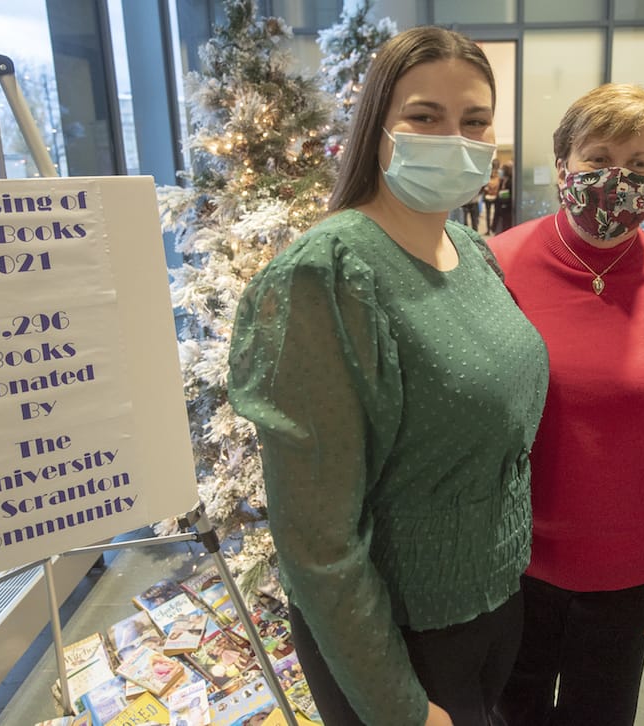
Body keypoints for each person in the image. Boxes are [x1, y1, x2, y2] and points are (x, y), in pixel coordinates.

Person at [228, 26, 549, 726]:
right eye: (424, 117)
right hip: (401, 643)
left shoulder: (468, 248)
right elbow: (319, 543)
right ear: (377, 127)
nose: (452, 138)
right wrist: (402, 709)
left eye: (474, 121)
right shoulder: (328, 277)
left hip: (490, 609)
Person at [489, 83, 644, 725]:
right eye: (597, 158)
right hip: (510, 560)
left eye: (637, 165)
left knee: (601, 714)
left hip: (629, 568)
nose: (614, 179)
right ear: (563, 162)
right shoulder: (495, 265)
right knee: (508, 711)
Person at [491, 162, 514, 234]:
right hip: (499, 211)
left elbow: (511, 197)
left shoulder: (511, 182)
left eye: (501, 170)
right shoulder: (501, 182)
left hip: (507, 212)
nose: (499, 171)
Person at [482, 159, 500, 234]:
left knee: (488, 214)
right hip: (495, 196)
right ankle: (494, 229)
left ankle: (489, 229)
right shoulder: (499, 174)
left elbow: (485, 184)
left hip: (488, 195)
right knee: (495, 214)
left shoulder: (488, 173)